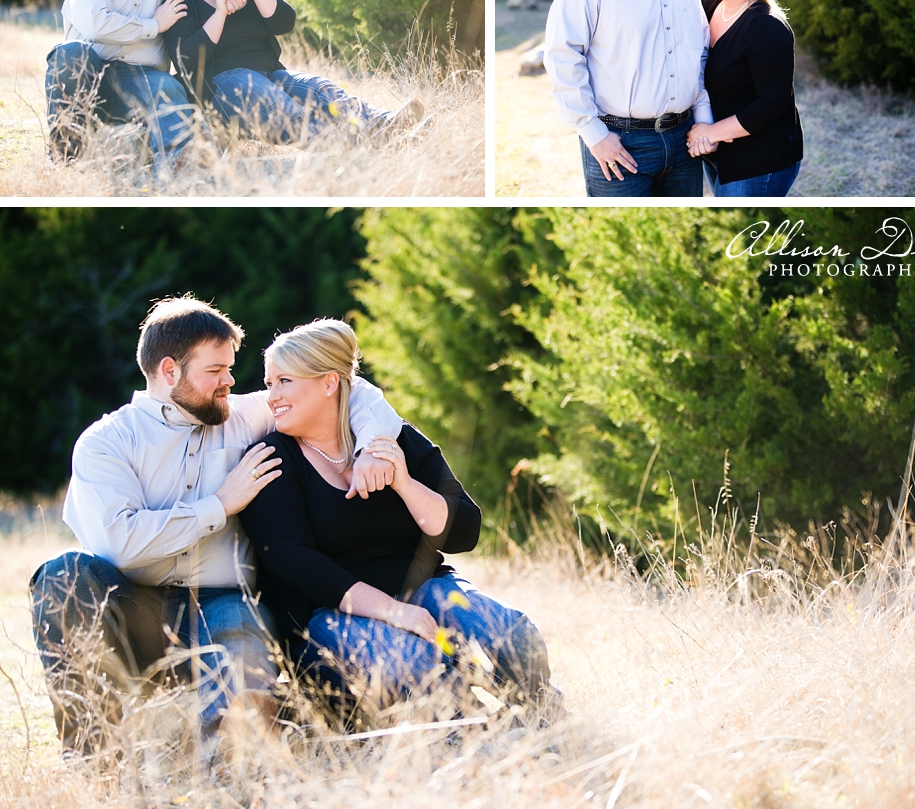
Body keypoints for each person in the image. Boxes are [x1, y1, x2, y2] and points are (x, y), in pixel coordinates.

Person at [30, 297, 401, 762]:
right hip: (133, 609)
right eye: (215, 370)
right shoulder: (107, 442)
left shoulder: (245, 416)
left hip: (224, 602)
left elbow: (349, 390)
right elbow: (119, 543)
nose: (230, 380)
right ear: (169, 371)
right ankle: (93, 764)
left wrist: (373, 444)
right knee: (63, 575)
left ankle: (231, 786)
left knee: (243, 662)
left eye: (230, 368)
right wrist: (220, 505)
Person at [239, 319, 559, 725]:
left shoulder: (396, 440)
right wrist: (392, 611)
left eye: (284, 380)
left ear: (329, 383)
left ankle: (542, 716)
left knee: (511, 633)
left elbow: (465, 530)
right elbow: (294, 562)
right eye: (269, 384)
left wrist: (404, 482)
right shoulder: (273, 458)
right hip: (327, 616)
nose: (272, 396)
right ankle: (473, 733)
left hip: (423, 588)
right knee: (413, 663)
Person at [161, 0, 425, 146]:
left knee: (321, 89)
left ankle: (386, 124)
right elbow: (186, 59)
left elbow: (284, 23)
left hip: (271, 73)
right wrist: (219, 11)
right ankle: (359, 143)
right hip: (222, 87)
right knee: (280, 106)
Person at [45, 0, 249, 173]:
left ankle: (176, 169)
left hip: (139, 80)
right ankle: (65, 159)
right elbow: (97, 25)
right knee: (70, 53)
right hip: (89, 77)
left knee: (167, 87)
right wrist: (154, 24)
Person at [544, 0, 712, 197]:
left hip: (684, 143)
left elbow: (699, 54)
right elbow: (561, 55)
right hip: (620, 145)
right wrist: (593, 135)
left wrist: (702, 120)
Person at [685, 0, 804, 197]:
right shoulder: (709, 2)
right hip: (720, 152)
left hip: (760, 159)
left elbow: (773, 102)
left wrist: (711, 132)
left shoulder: (766, 27)